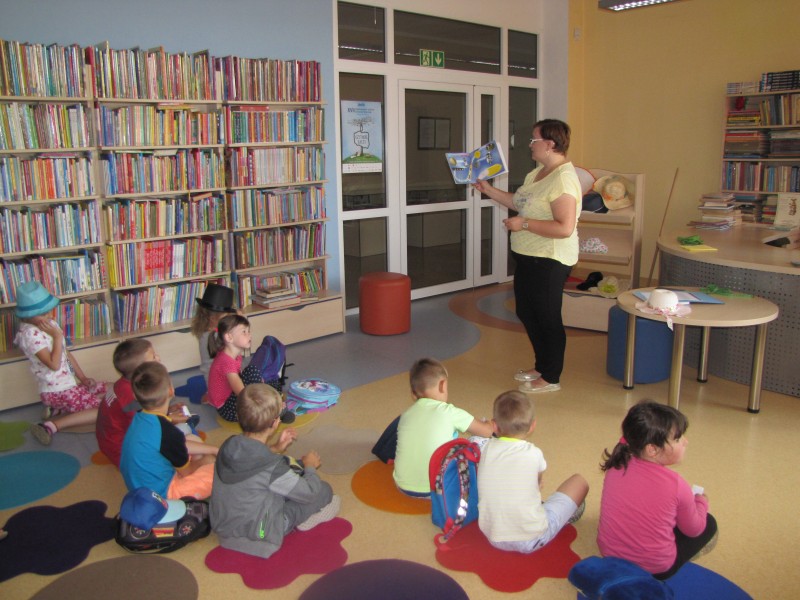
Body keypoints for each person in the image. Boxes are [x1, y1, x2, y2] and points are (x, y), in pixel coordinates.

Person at [473, 119, 582, 394]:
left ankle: (551, 376)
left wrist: (523, 224)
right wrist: (488, 189)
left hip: (550, 259)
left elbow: (564, 227)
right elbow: (518, 202)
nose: (530, 145)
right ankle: (541, 365)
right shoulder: (538, 173)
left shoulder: (563, 179)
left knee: (547, 316)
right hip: (528, 256)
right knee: (527, 311)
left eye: (534, 140)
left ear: (550, 144)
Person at [210, 383, 340, 558]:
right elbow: (309, 493)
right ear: (275, 423)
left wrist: (276, 448)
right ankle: (305, 520)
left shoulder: (228, 445)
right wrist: (310, 467)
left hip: (224, 527)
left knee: (286, 472)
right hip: (261, 534)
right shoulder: (272, 468)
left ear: (239, 416)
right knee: (323, 490)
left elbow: (251, 461)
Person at [597, 401, 718, 579]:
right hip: (656, 569)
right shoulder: (676, 484)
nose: (685, 441)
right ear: (652, 449)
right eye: (677, 439)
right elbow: (694, 530)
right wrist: (701, 502)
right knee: (709, 523)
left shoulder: (616, 466)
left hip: (609, 555)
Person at [477, 390, 588, 553]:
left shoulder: (486, 448)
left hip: (492, 535)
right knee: (579, 483)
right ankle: (563, 517)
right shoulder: (534, 453)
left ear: (494, 425)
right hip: (531, 539)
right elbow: (537, 485)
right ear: (532, 426)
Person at [14, 281, 107, 445]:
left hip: (69, 385)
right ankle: (49, 426)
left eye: (48, 311)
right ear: (27, 315)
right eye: (43, 314)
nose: (49, 316)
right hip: (56, 391)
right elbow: (54, 364)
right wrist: (57, 337)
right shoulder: (29, 335)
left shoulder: (49, 325)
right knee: (104, 409)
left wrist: (82, 378)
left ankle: (56, 409)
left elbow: (65, 355)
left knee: (106, 388)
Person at [392, 357, 494, 497]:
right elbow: (486, 432)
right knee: (479, 442)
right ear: (442, 385)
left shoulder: (405, 415)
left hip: (403, 485)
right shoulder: (449, 411)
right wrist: (489, 424)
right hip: (439, 489)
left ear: (413, 394)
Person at [120, 361, 218, 500]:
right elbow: (187, 472)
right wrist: (207, 459)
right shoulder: (168, 433)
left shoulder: (140, 416)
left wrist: (214, 449)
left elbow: (173, 442)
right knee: (215, 469)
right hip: (161, 496)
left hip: (139, 485)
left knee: (191, 440)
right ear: (171, 391)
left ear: (135, 396)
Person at [96, 338, 195, 468]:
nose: (158, 358)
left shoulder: (125, 385)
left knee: (182, 433)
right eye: (153, 357)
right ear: (141, 370)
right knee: (181, 433)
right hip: (125, 454)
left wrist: (169, 409)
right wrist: (170, 419)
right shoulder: (130, 396)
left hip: (112, 443)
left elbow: (143, 414)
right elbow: (145, 426)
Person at [191, 283, 237, 386]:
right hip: (223, 384)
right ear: (213, 318)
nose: (230, 319)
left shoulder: (207, 332)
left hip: (215, 382)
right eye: (227, 316)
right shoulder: (215, 336)